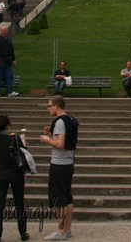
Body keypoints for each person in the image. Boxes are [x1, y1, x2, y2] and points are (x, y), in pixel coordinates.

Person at [40, 96, 77, 241]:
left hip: (59, 164)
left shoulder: (60, 122)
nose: (48, 108)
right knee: (67, 197)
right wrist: (52, 132)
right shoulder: (70, 119)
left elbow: (60, 144)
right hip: (69, 163)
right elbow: (66, 139)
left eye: (49, 106)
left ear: (57, 106)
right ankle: (67, 229)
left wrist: (47, 140)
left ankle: (61, 231)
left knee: (59, 198)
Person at [0, 114, 29, 242]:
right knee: (19, 203)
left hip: (1, 173)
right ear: (8, 124)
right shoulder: (14, 138)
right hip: (16, 173)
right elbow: (23, 152)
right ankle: (23, 232)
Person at [0, 26, 19, 97]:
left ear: (7, 31)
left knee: (10, 76)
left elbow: (11, 50)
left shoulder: (9, 40)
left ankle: (10, 91)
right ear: (0, 31)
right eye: (3, 30)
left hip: (9, 61)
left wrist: (13, 59)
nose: (4, 32)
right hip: (0, 60)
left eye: (5, 30)